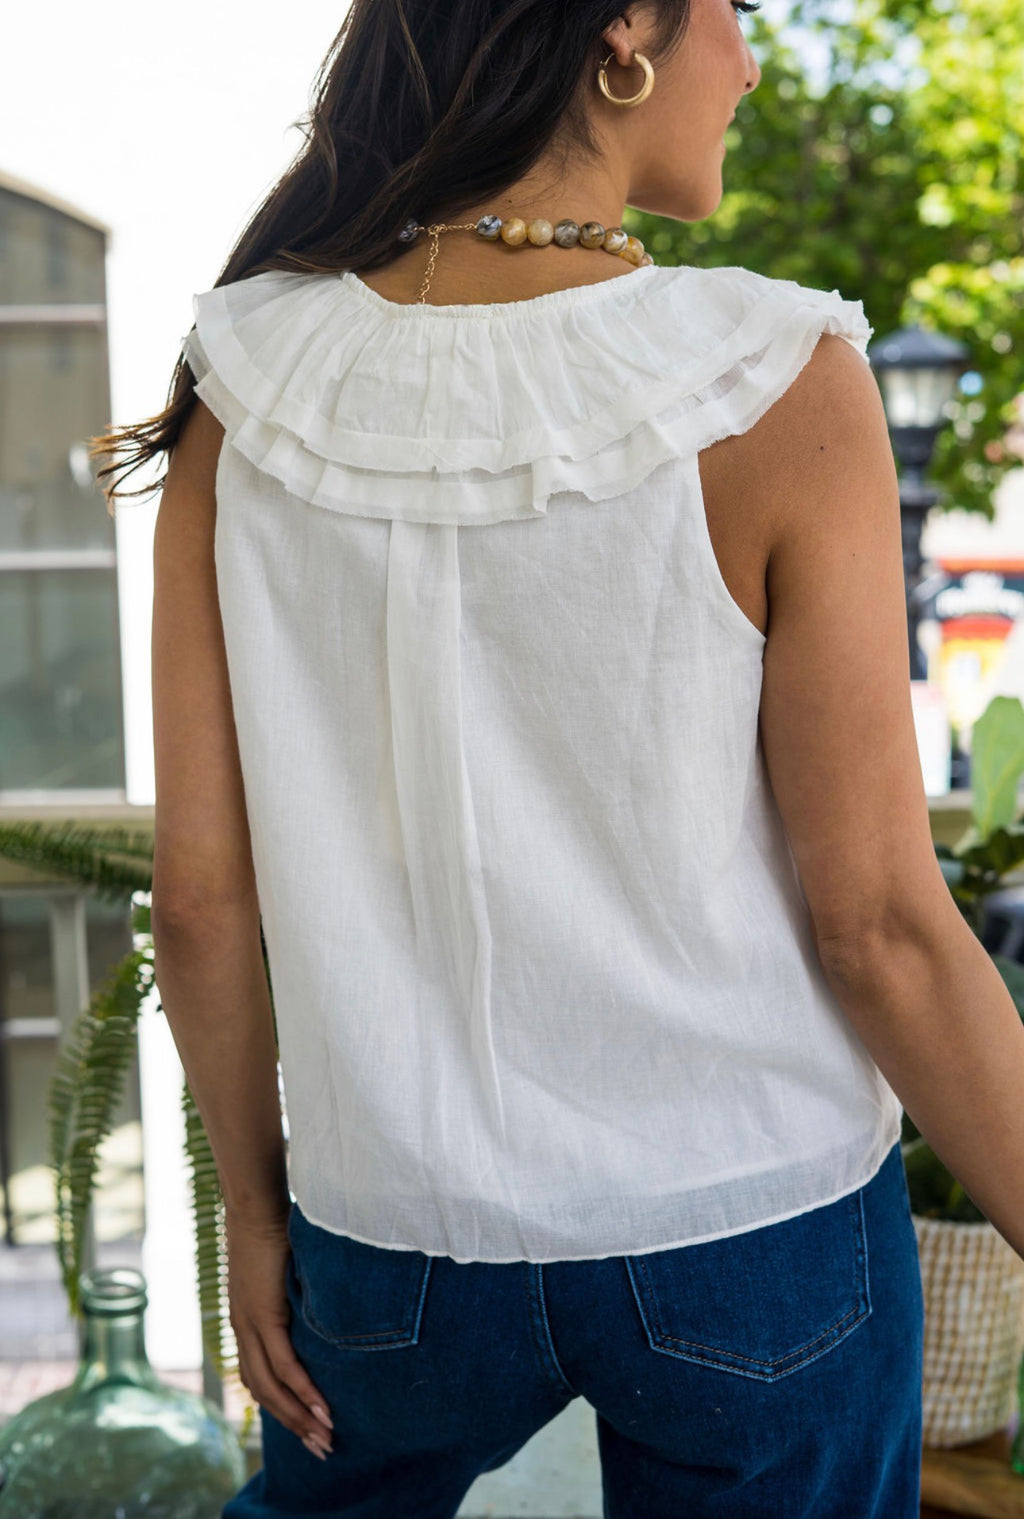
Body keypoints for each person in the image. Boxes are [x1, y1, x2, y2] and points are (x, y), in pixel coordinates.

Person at [92, 0, 1024, 1514]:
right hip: (753, 1223)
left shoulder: (248, 386)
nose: (755, 60)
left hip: (389, 1241)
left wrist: (254, 1219)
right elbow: (878, 927)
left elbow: (199, 897)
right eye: (736, 11)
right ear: (626, 31)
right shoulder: (780, 378)